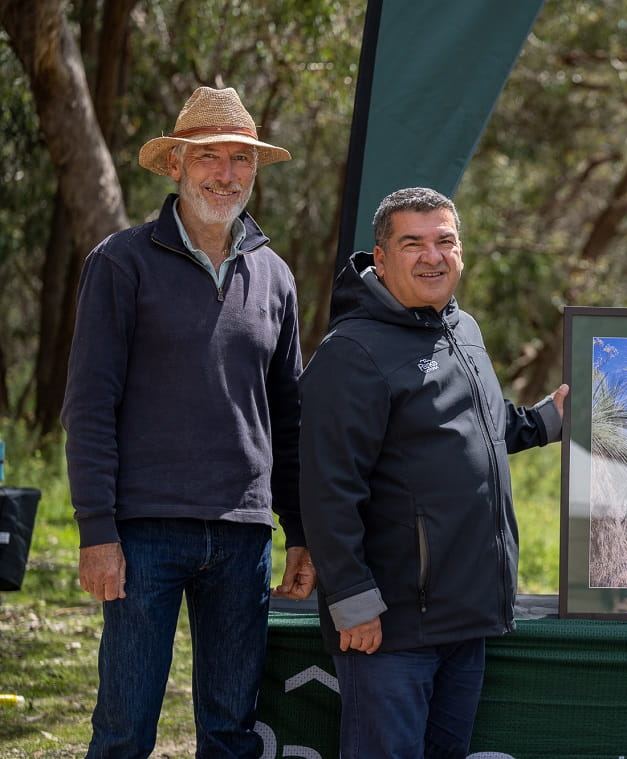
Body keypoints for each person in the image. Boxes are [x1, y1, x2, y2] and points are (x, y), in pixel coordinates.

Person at [61, 85, 316, 758]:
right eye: (209, 156)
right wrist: (96, 530)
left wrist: (299, 531)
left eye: (241, 158)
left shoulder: (276, 277)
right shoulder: (120, 262)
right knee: (124, 730)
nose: (226, 174)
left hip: (244, 534)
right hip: (143, 531)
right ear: (175, 163)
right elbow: (89, 406)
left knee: (232, 733)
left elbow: (288, 416)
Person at [299, 187, 568, 759]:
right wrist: (352, 601)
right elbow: (327, 491)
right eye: (412, 244)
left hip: (465, 617)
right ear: (380, 258)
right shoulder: (352, 352)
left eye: (445, 241)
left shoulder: (463, 329)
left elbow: (482, 428)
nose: (433, 257)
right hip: (391, 627)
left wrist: (549, 419)